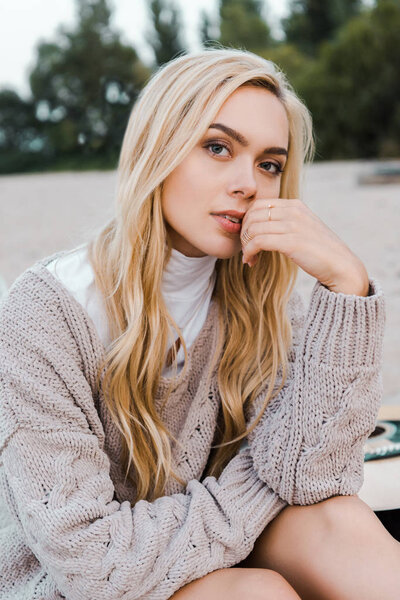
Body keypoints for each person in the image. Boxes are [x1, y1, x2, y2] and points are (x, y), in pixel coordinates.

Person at [0, 47, 399, 600]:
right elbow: (90, 565)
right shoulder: (47, 312)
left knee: (338, 526)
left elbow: (314, 479)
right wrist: (260, 479)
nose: (249, 184)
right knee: (257, 595)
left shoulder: (263, 302)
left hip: (210, 544)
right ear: (158, 148)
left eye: (270, 164)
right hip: (78, 586)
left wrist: (346, 289)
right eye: (217, 147)